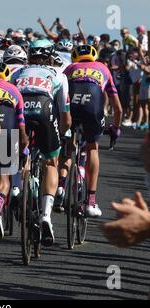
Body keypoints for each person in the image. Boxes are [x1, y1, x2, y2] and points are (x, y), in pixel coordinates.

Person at [11, 39, 71, 246]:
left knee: (20, 154)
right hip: (44, 110)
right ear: (50, 55)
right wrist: (60, 136)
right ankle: (46, 215)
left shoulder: (18, 73)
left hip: (20, 112)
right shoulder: (59, 75)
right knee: (51, 163)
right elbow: (66, 116)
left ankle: (17, 190)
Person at [57, 45, 123, 218]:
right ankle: (91, 201)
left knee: (68, 146)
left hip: (71, 106)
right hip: (92, 107)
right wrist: (115, 129)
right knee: (92, 147)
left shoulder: (70, 68)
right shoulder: (103, 68)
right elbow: (118, 108)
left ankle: (61, 187)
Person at [0, 61, 28, 242]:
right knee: (4, 174)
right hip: (8, 131)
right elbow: (21, 123)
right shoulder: (14, 90)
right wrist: (24, 142)